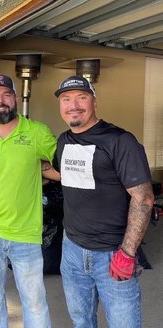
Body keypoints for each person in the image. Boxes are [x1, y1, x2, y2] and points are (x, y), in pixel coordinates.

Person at [45, 75, 154, 328]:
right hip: (71, 249)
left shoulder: (120, 141)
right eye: (66, 99)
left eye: (82, 97)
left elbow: (144, 198)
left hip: (112, 253)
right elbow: (65, 175)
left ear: (94, 101)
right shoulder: (64, 141)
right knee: (81, 320)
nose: (73, 105)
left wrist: (127, 253)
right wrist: (32, 166)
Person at [0, 74, 57, 328]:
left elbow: (65, 167)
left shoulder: (37, 131)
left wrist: (41, 166)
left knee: (35, 300)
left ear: (16, 98)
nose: (0, 101)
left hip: (25, 232)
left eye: (6, 95)